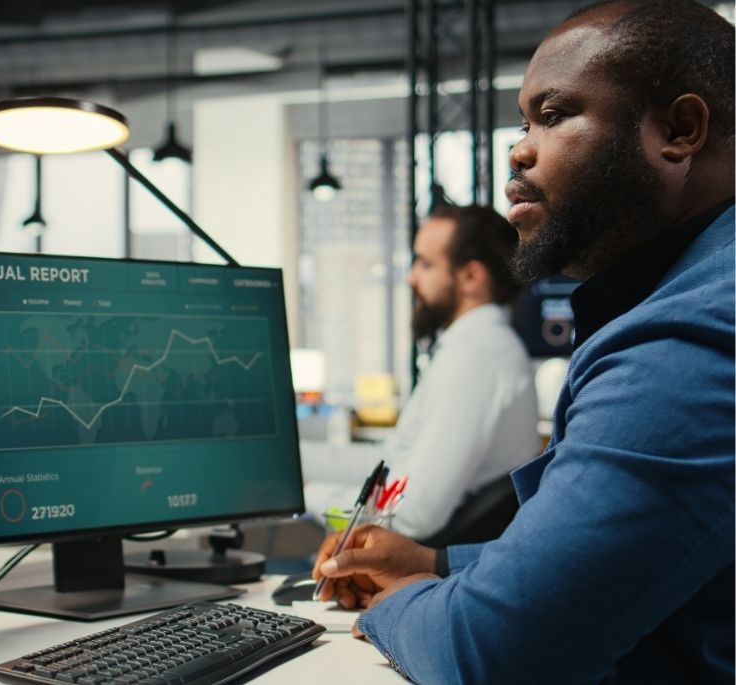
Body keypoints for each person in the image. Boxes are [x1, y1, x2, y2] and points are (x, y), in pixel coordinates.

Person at [312, 1, 735, 683]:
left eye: (555, 114)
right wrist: (436, 564)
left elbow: (492, 654)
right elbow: (609, 548)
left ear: (679, 131)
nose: (519, 148)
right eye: (522, 121)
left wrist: (392, 606)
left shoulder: (695, 332)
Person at [303, 204, 537, 542]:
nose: (412, 277)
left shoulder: (478, 355)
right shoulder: (473, 347)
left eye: (425, 263)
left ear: (471, 276)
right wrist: (292, 464)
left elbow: (414, 516)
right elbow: (390, 462)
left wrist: (307, 496)